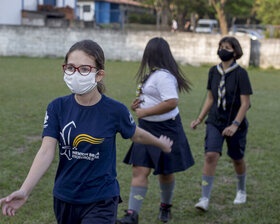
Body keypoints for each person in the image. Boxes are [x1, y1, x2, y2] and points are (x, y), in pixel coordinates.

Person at [0, 40, 173, 224]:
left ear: (99, 75)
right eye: (70, 68)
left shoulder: (115, 110)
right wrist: (24, 190)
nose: (75, 74)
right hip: (64, 197)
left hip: (101, 199)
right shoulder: (57, 107)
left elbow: (135, 133)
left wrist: (160, 143)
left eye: (84, 69)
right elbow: (46, 150)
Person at [117, 37, 194, 224]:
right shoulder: (152, 75)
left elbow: (171, 102)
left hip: (167, 128)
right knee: (139, 169)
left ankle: (165, 207)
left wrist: (145, 111)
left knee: (166, 172)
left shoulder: (165, 76)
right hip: (146, 128)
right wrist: (136, 106)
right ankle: (132, 215)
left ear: (151, 54)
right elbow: (153, 99)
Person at [190, 36, 253, 211]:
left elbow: (245, 103)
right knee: (210, 156)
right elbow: (210, 98)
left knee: (237, 159)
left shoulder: (241, 73)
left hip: (235, 123)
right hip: (215, 121)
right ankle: (204, 198)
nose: (222, 50)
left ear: (235, 51)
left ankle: (241, 190)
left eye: (227, 47)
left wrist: (234, 125)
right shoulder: (213, 71)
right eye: (220, 46)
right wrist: (200, 118)